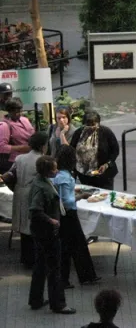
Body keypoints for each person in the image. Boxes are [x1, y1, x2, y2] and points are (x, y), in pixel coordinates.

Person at [28, 155, 76, 314]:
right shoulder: (43, 188)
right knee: (55, 268)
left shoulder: (40, 181)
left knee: (40, 265)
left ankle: (36, 299)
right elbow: (35, 210)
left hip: (39, 230)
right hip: (46, 231)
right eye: (54, 169)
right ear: (47, 172)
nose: (57, 171)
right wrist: (52, 221)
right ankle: (58, 303)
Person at [54, 145, 100, 288]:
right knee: (76, 245)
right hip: (69, 215)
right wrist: (82, 196)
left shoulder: (59, 175)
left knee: (69, 246)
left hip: (64, 215)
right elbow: (66, 200)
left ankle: (79, 277)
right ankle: (84, 276)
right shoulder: (65, 177)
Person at [1, 132, 48, 267]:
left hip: (19, 193)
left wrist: (15, 188)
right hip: (33, 194)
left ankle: (26, 258)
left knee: (23, 227)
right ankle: (35, 259)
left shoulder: (20, 158)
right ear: (43, 146)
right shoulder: (43, 160)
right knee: (34, 226)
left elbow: (9, 175)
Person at [70, 111, 119, 190]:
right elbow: (72, 150)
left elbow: (115, 150)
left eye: (93, 124)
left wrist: (107, 164)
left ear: (98, 123)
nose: (91, 127)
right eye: (88, 125)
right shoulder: (78, 133)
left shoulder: (106, 132)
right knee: (87, 196)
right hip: (84, 174)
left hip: (104, 174)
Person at [0, 97, 35, 173]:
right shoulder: (4, 125)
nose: (17, 114)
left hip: (29, 159)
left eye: (19, 111)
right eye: (14, 112)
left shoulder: (24, 120)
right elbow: (2, 147)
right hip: (14, 163)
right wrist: (21, 148)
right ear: (8, 111)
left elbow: (32, 134)